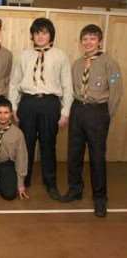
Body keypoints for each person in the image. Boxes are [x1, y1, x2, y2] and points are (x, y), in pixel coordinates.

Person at [61, 24, 123, 217]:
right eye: (85, 39)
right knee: (74, 153)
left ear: (99, 41)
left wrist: (106, 115)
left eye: (92, 39)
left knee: (97, 157)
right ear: (81, 42)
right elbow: (71, 89)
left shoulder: (109, 63)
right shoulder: (78, 64)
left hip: (98, 112)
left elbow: (116, 92)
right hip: (79, 110)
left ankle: (100, 198)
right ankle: (75, 190)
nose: (88, 42)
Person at [8, 17, 73, 200]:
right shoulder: (24, 55)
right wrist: (13, 107)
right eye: (37, 33)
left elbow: (68, 86)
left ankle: (50, 183)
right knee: (25, 144)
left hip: (50, 104)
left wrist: (65, 112)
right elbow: (14, 83)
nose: (40, 36)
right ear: (32, 36)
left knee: (48, 144)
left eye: (44, 32)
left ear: (51, 35)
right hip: (27, 103)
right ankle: (24, 180)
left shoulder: (60, 56)